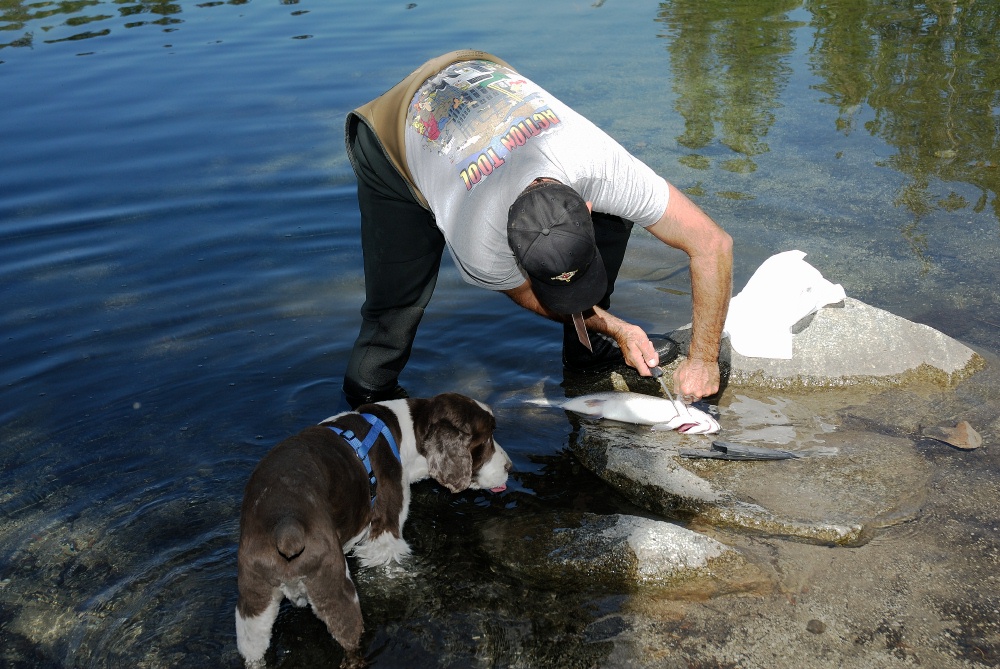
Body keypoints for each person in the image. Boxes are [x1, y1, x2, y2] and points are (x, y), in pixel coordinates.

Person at [342, 49, 732, 409]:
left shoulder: (602, 167)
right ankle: (367, 404)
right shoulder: (479, 241)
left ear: (587, 204)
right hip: (391, 136)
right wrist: (617, 327)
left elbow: (712, 243)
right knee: (396, 302)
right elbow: (526, 292)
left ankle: (588, 349)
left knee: (616, 221)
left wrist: (703, 359)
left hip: (477, 73)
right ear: (511, 250)